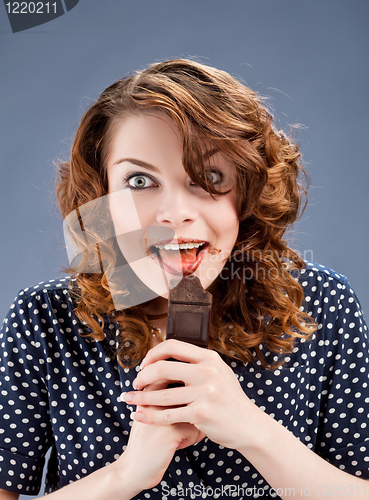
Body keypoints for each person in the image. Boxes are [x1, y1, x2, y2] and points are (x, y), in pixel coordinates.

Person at [0, 59, 368, 500]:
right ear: (101, 197)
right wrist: (125, 476)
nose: (174, 213)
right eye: (139, 180)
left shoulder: (321, 304)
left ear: (248, 191)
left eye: (210, 177)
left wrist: (254, 431)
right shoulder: (45, 319)